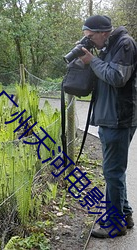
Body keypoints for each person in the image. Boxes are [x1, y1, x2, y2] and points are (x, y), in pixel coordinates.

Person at [79, 15, 137, 238]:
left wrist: (92, 61)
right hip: (109, 117)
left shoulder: (125, 44)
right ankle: (125, 214)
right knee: (114, 172)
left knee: (112, 172)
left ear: (103, 32)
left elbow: (116, 77)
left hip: (119, 118)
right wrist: (88, 60)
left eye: (91, 37)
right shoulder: (108, 46)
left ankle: (115, 223)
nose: (90, 41)